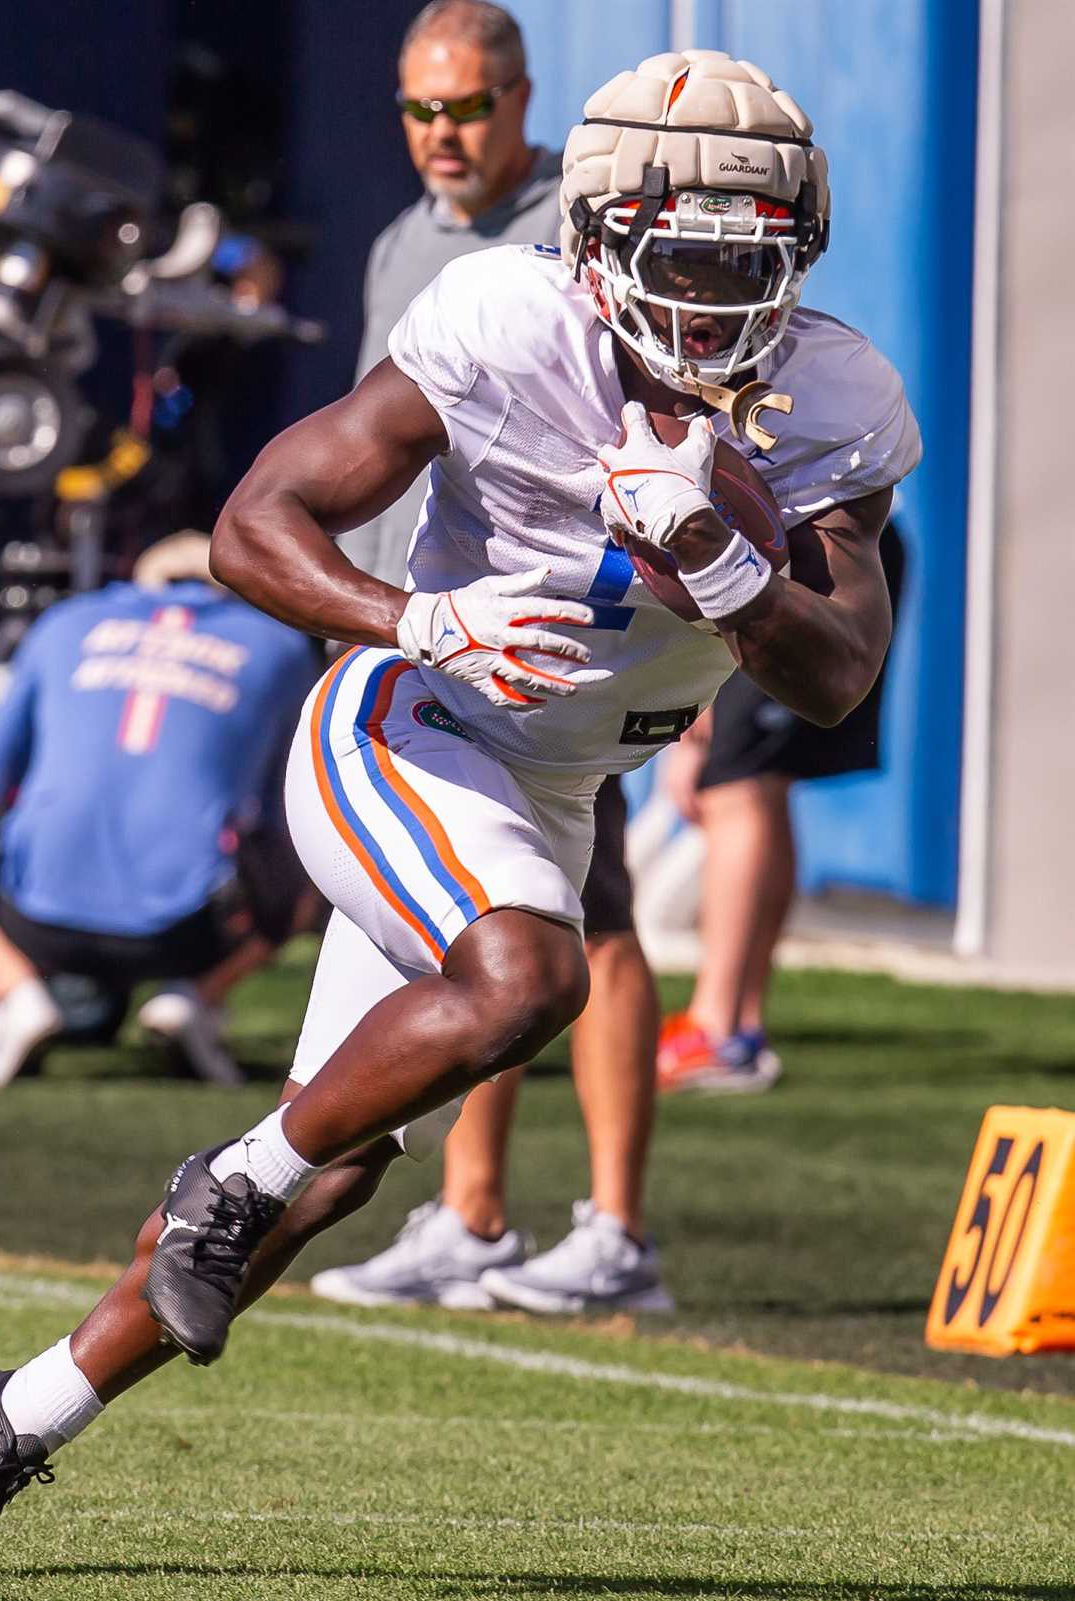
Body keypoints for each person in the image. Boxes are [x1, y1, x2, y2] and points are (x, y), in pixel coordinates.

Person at [0, 48, 921, 1576]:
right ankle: (220, 1185)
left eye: (748, 262)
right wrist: (414, 618)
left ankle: (10, 1416)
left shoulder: (832, 396)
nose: (715, 304)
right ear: (595, 248)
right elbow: (255, 525)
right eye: (682, 260)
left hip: (553, 784)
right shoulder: (509, 323)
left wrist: (717, 559)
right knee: (528, 977)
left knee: (333, 1173)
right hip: (409, 725)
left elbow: (838, 670)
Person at [318, 0, 666, 1315]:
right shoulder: (404, 240)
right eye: (419, 109)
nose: (440, 133)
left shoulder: (576, 232)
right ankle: (469, 1215)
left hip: (556, 646)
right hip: (421, 645)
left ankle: (618, 1237)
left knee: (602, 920)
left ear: (523, 101)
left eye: (464, 106)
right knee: (470, 931)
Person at [0, 532, 319, 1090]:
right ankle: (194, 999)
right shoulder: (277, 646)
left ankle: (16, 992)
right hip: (193, 928)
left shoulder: (65, 622)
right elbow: (283, 804)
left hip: (33, 916)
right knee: (306, 864)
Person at [656, 526, 906, 1093]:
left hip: (790, 560)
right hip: (798, 553)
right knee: (758, 785)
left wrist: (698, 685)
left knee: (737, 788)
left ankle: (718, 1028)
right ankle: (737, 1026)